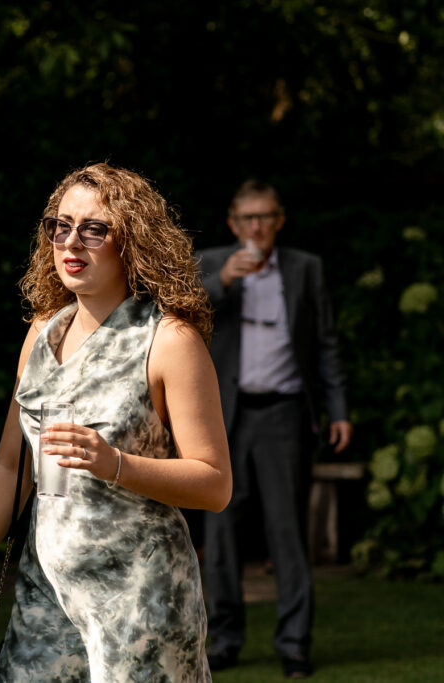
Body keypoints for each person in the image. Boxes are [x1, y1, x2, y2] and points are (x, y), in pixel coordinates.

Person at [0, 162, 232, 682]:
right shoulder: (43, 331)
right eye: (61, 226)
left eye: (94, 229)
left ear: (131, 241)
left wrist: (116, 463)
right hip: (48, 596)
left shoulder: (169, 341)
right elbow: (10, 466)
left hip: (142, 599)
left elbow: (215, 483)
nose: (71, 242)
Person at [197, 180, 353, 679]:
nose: (256, 226)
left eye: (265, 217)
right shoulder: (209, 263)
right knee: (221, 533)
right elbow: (177, 316)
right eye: (247, 218)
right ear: (233, 223)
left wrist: (340, 410)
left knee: (288, 531)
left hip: (285, 414)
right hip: (224, 416)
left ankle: (294, 644)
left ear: (279, 220)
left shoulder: (306, 268)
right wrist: (222, 279)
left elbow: (326, 344)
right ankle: (224, 638)